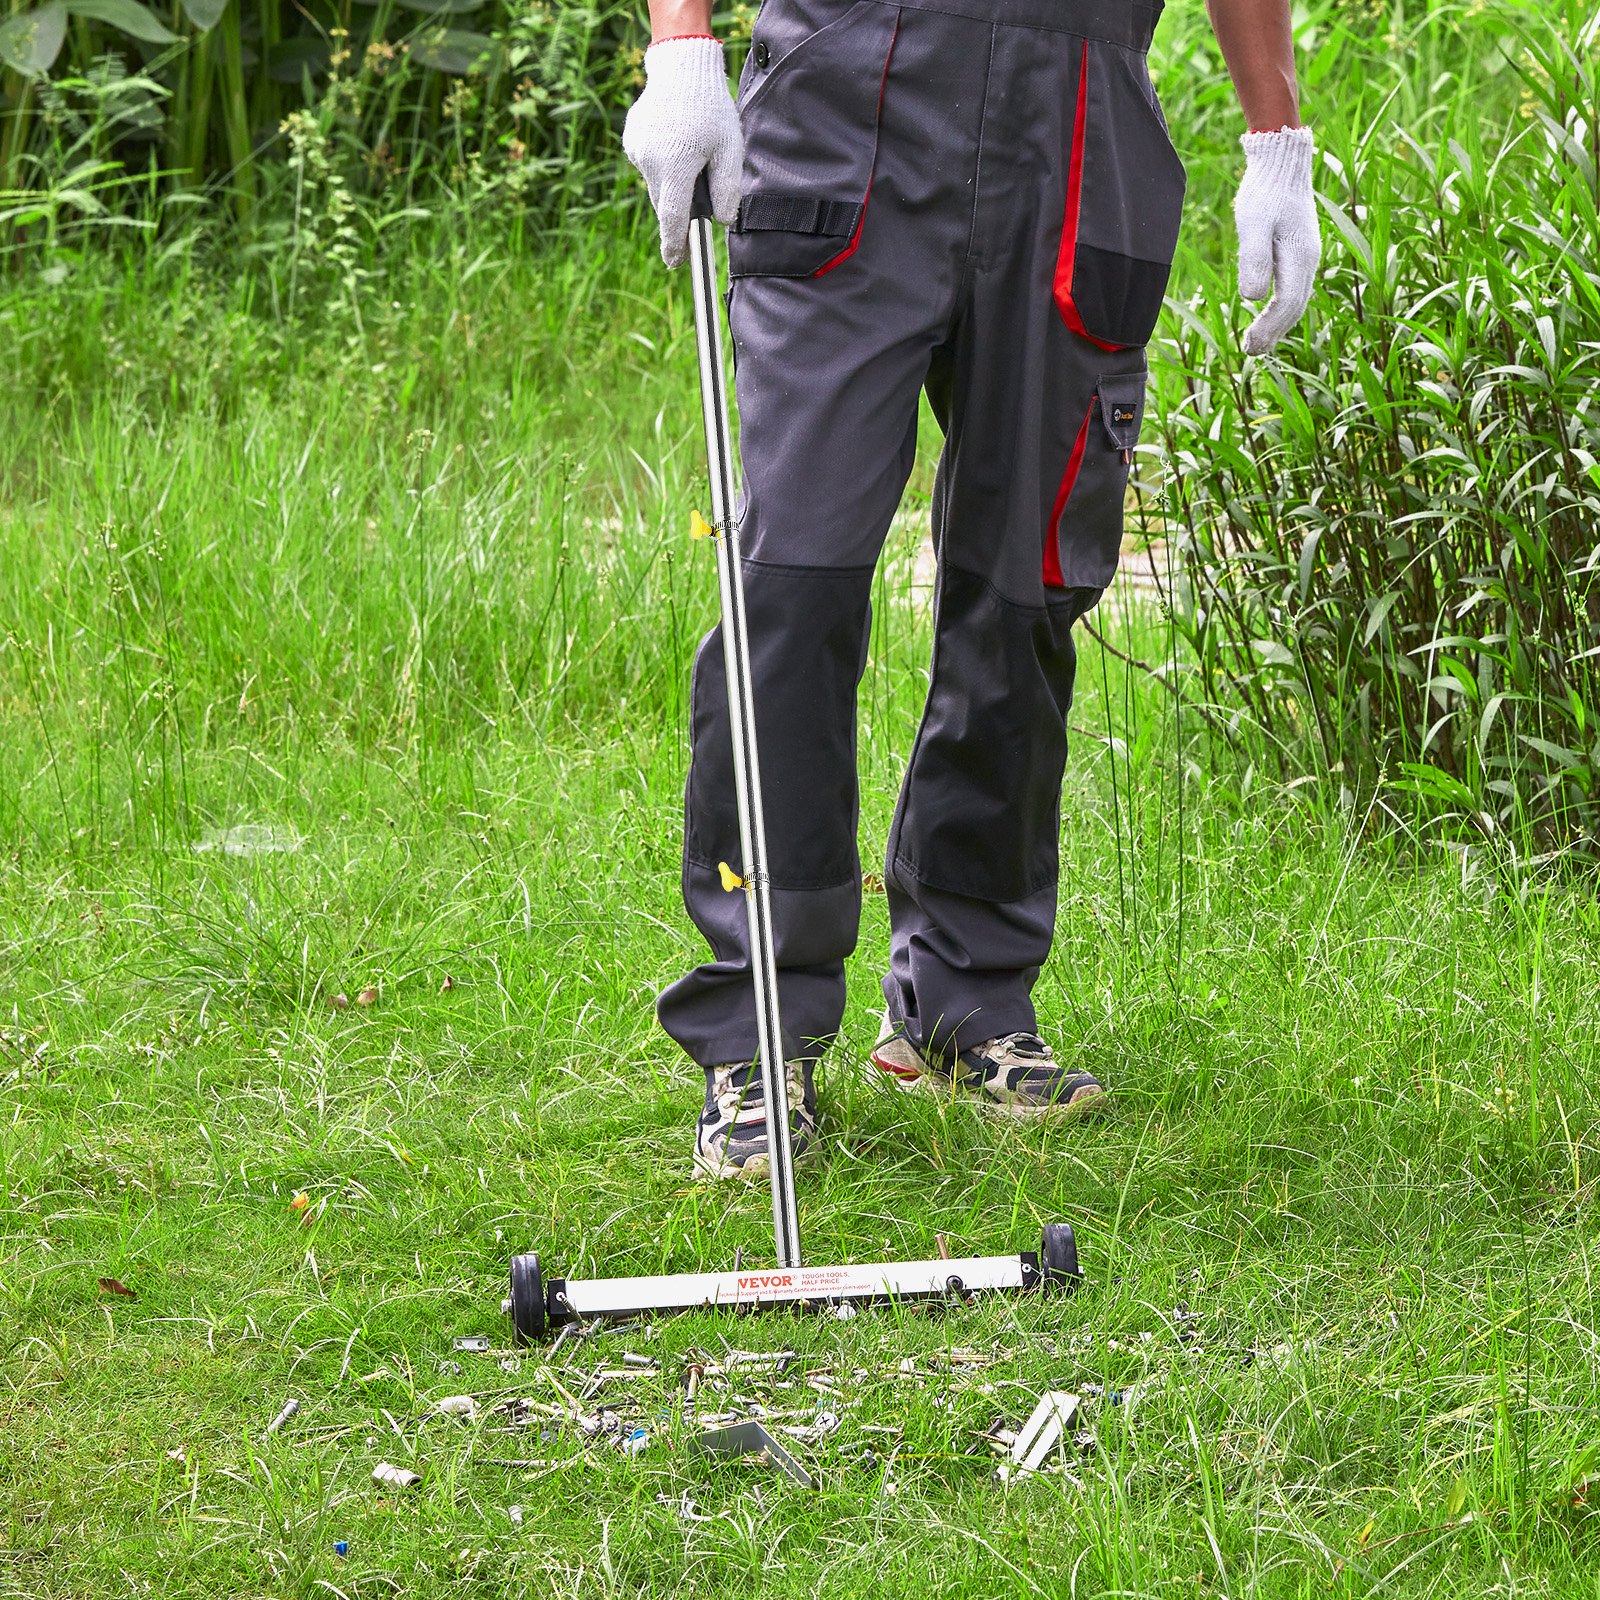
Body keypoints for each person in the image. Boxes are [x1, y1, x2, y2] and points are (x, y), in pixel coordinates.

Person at [624, 0, 1320, 1179]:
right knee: (792, 582)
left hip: (1083, 125)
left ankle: (962, 1001)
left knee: (1029, 588)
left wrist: (1277, 143)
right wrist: (681, 46)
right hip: (848, 104)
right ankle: (759, 1027)